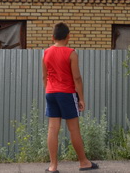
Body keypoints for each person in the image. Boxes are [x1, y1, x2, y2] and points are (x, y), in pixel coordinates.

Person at [42, 22, 99, 173]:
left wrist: (49, 91)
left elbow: (44, 77)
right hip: (66, 94)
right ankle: (84, 162)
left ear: (53, 37)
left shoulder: (46, 53)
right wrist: (81, 98)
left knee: (53, 129)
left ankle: (52, 166)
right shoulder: (71, 53)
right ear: (68, 37)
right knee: (74, 129)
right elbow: (77, 78)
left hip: (50, 93)